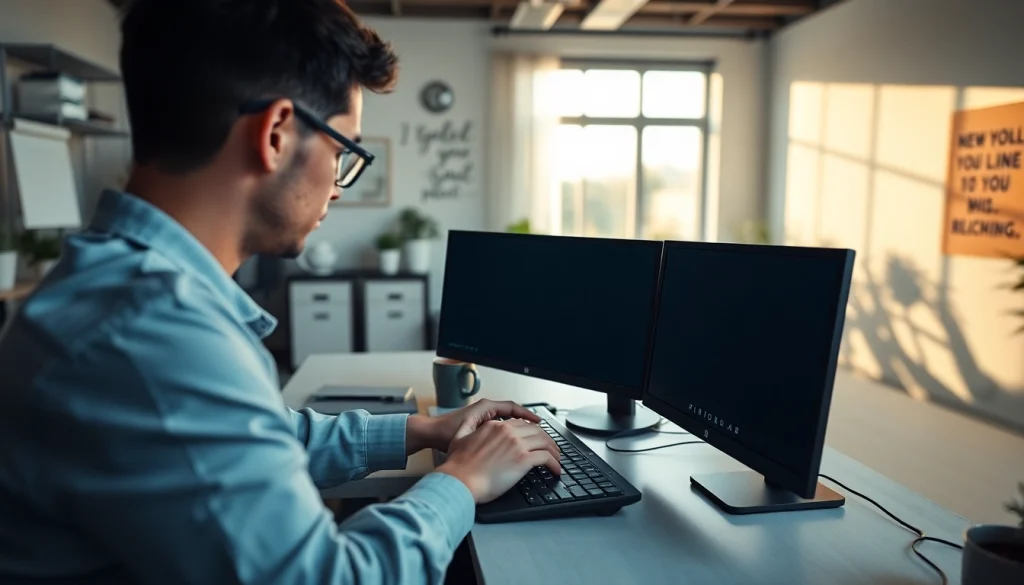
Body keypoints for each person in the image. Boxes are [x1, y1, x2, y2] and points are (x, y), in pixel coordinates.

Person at [0, 1, 562, 583]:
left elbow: (260, 436)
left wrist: (423, 431)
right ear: (275, 134)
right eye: (343, 151)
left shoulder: (129, 291)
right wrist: (461, 482)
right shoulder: (151, 331)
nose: (340, 186)